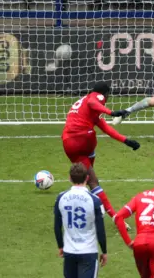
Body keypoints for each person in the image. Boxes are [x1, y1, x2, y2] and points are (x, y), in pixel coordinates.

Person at [62, 81, 140, 228]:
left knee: (87, 176)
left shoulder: (84, 106)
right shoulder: (95, 97)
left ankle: (89, 198)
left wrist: (126, 141)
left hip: (68, 142)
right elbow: (93, 101)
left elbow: (106, 128)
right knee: (93, 181)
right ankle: (116, 218)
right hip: (82, 138)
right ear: (106, 94)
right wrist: (111, 112)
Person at [54, 163, 108, 278]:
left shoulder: (61, 198)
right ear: (87, 178)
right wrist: (104, 251)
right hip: (88, 252)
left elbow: (57, 226)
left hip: (69, 252)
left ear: (69, 178)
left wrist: (60, 246)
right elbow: (100, 229)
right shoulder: (95, 200)